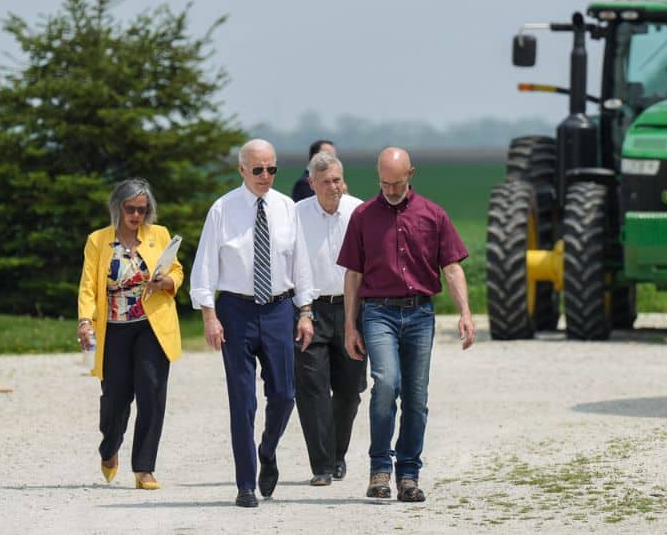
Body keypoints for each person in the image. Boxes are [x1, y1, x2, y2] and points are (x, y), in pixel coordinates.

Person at [339, 147, 475, 503]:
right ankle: (379, 469)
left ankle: (409, 475)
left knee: (416, 398)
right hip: (378, 312)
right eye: (384, 183)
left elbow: (452, 267)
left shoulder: (433, 215)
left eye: (397, 183)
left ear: (410, 174)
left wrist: (465, 312)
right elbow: (353, 274)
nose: (390, 190)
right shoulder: (363, 216)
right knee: (385, 383)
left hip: (419, 314)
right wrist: (349, 326)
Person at [189, 139, 316, 508]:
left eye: (271, 169)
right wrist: (209, 315)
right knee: (242, 401)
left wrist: (305, 312)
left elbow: (300, 264)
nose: (265, 176)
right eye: (258, 169)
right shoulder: (222, 209)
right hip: (235, 311)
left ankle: (268, 449)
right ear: (242, 169)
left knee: (284, 395)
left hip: (279, 310)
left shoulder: (286, 208)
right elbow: (205, 266)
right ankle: (245, 483)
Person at [77, 178, 183, 491]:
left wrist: (167, 282)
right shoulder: (98, 240)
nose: (137, 215)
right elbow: (87, 285)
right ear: (118, 208)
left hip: (152, 327)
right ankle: (109, 448)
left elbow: (176, 270)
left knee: (152, 393)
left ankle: (144, 467)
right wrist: (85, 321)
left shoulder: (159, 235)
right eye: (130, 209)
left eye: (142, 209)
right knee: (115, 400)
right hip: (114, 330)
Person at [294, 150, 367, 486]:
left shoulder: (360, 211)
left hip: (354, 309)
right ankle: (321, 466)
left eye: (337, 180)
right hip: (309, 310)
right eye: (325, 182)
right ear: (312, 184)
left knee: (350, 389)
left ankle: (338, 455)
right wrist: (302, 311)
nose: (333, 187)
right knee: (312, 389)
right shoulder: (295, 215)